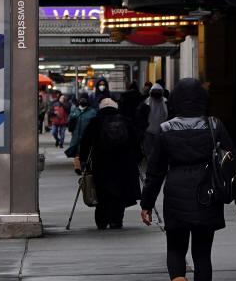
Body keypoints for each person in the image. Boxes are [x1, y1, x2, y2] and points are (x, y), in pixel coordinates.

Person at [141, 78, 236, 281]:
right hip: (208, 192)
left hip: (176, 193)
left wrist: (147, 204)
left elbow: (155, 171)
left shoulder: (166, 128)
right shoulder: (214, 125)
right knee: (202, 254)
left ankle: (178, 278)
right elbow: (233, 165)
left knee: (175, 247)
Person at [77, 97, 141, 229]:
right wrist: (138, 158)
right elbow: (136, 142)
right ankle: (116, 220)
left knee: (102, 191)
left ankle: (102, 220)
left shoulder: (95, 122)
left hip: (101, 163)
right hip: (123, 163)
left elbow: (85, 143)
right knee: (120, 192)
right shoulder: (126, 121)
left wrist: (83, 160)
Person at [136, 81, 169, 160]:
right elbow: (140, 117)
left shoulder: (166, 102)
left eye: (158, 91)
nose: (156, 93)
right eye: (155, 91)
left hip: (162, 132)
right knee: (149, 153)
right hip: (148, 132)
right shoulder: (145, 103)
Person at [67, 92, 97, 157]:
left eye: (84, 99)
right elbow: (69, 121)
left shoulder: (92, 112)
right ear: (79, 100)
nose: (83, 100)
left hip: (87, 139)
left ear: (87, 100)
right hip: (76, 139)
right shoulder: (74, 110)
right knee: (77, 157)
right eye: (81, 99)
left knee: (86, 156)